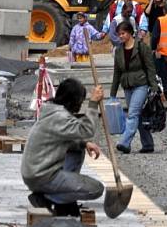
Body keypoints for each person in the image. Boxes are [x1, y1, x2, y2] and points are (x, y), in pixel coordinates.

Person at [21, 78, 105, 217]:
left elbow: (65, 139)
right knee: (96, 189)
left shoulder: (53, 111)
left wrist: (84, 144)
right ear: (73, 100)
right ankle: (48, 198)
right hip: (41, 176)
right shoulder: (59, 117)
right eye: (80, 102)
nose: (80, 106)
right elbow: (86, 130)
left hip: (36, 172)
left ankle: (62, 199)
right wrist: (93, 103)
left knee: (78, 149)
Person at [110, 20, 158, 154]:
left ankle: (124, 142)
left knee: (133, 114)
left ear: (130, 33)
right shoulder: (119, 51)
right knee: (139, 115)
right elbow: (117, 72)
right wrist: (113, 93)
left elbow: (150, 68)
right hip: (127, 85)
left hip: (141, 85)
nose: (120, 36)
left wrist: (154, 87)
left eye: (123, 33)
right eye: (119, 34)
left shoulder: (142, 47)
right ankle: (148, 144)